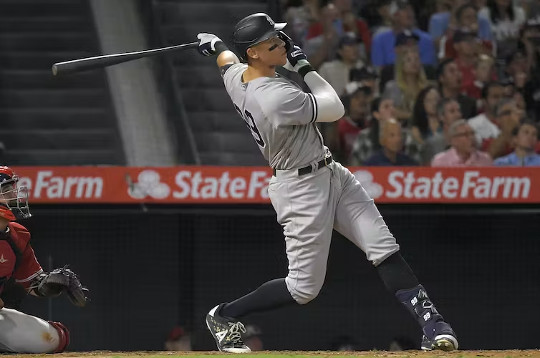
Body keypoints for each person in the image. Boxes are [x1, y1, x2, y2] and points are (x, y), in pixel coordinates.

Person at [197, 12, 458, 353]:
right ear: (256, 53)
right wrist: (303, 64)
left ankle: (434, 326)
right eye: (273, 42)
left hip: (332, 173)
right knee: (303, 289)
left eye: (281, 38)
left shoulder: (238, 76)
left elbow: (227, 61)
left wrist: (215, 45)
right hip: (299, 189)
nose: (284, 44)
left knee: (383, 247)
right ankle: (225, 315)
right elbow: (335, 108)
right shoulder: (272, 96)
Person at [0, 166, 87, 353]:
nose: (14, 196)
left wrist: (53, 282)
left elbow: (33, 284)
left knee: (51, 339)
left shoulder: (18, 235)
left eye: (12, 189)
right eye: (6, 191)